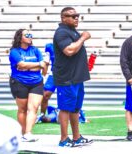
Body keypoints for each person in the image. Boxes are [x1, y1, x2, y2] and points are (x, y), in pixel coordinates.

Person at [53, 7, 93, 147]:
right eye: (72, 16)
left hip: (76, 77)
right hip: (66, 77)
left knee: (76, 108)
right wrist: (83, 37)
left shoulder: (71, 31)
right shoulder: (61, 32)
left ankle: (76, 137)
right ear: (63, 18)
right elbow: (69, 50)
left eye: (77, 15)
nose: (76, 18)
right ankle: (64, 139)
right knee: (65, 108)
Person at [9, 29, 48, 142]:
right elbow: (21, 64)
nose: (30, 36)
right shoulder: (15, 51)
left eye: (31, 35)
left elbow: (44, 66)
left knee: (33, 108)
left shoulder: (35, 50)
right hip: (19, 82)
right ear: (20, 38)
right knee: (22, 109)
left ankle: (28, 133)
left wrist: (29, 66)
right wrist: (38, 65)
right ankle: (23, 133)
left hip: (37, 82)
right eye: (27, 35)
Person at [38, 43, 56, 119]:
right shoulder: (50, 47)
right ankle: (42, 115)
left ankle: (78, 115)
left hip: (68, 75)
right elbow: (46, 62)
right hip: (54, 74)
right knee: (45, 95)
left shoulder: (71, 45)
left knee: (71, 95)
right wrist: (42, 76)